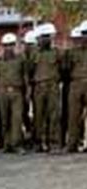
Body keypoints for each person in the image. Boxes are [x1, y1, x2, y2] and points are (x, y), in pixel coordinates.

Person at [29, 23, 63, 153]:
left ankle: (54, 143)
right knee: (38, 115)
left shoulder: (57, 53)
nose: (45, 40)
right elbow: (29, 70)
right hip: (38, 87)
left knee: (54, 115)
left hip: (53, 87)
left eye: (47, 37)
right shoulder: (34, 54)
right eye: (42, 37)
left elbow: (63, 69)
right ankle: (38, 143)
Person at [0, 33, 28, 153]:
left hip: (17, 92)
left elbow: (25, 76)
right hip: (2, 92)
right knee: (4, 119)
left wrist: (27, 92)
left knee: (17, 119)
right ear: (3, 46)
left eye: (11, 45)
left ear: (15, 45)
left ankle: (17, 144)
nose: (8, 48)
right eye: (6, 45)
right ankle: (7, 145)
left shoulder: (21, 58)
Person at [64, 21, 87, 152]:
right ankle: (72, 144)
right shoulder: (72, 53)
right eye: (84, 34)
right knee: (73, 115)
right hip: (76, 84)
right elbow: (65, 69)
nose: (85, 37)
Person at [23, 29, 38, 148]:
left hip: (38, 87)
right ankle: (29, 134)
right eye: (27, 45)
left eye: (30, 45)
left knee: (38, 113)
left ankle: (38, 138)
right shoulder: (23, 57)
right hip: (24, 89)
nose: (28, 47)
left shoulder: (37, 55)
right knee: (24, 113)